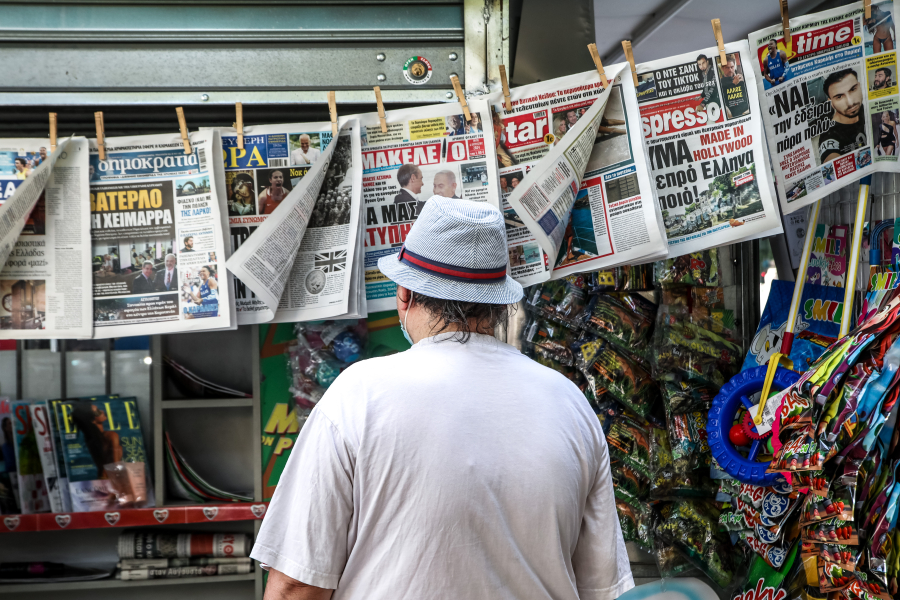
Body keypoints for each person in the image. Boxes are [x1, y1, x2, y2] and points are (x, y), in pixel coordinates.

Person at [252, 197, 633, 600]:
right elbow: (602, 589)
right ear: (501, 304)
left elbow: (297, 584)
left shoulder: (358, 395)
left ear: (404, 294)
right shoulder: (570, 405)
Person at [818, 69, 867, 163]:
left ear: (860, 86)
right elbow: (830, 158)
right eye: (839, 97)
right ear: (831, 103)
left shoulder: (864, 109)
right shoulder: (830, 135)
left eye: (853, 89)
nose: (850, 103)